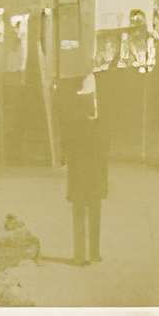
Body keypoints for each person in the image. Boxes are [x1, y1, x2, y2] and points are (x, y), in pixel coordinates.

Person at [60, 72, 110, 265]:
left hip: (85, 174)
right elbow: (103, 153)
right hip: (89, 174)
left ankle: (84, 255)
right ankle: (88, 254)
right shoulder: (92, 122)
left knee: (83, 214)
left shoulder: (76, 120)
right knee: (88, 213)